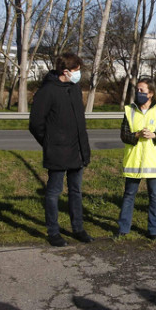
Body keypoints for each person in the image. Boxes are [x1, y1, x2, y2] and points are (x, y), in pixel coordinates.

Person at [29, 53, 93, 247]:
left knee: (76, 191)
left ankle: (78, 228)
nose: (79, 74)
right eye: (76, 71)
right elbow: (35, 124)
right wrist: (49, 142)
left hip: (77, 151)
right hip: (57, 152)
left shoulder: (75, 89)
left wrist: (84, 148)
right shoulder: (47, 91)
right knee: (53, 192)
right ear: (65, 71)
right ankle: (53, 232)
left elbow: (79, 122)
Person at [117, 78, 156, 240]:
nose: (138, 93)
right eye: (137, 90)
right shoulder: (129, 110)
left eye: (142, 90)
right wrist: (136, 135)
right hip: (134, 161)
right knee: (129, 195)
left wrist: (154, 135)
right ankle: (123, 229)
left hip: (154, 162)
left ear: (151, 93)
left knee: (154, 196)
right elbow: (124, 135)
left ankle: (154, 230)